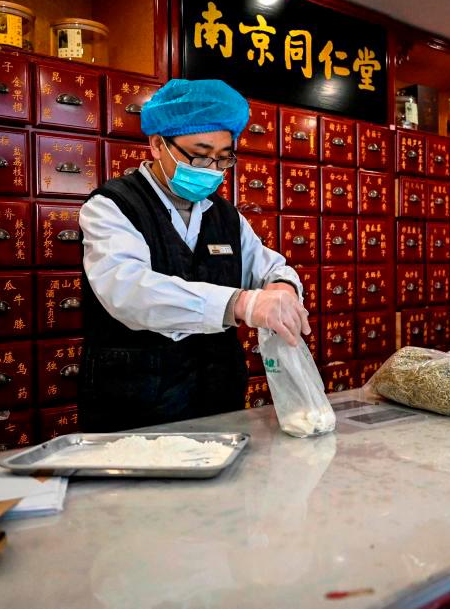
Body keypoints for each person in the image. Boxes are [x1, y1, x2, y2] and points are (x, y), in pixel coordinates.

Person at [77, 79, 310, 432]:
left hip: (218, 401)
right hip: (135, 408)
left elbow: (268, 265)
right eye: (200, 155)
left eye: (223, 157)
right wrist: (240, 304)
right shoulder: (113, 207)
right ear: (157, 145)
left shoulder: (224, 214)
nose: (212, 169)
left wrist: (281, 288)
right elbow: (129, 292)